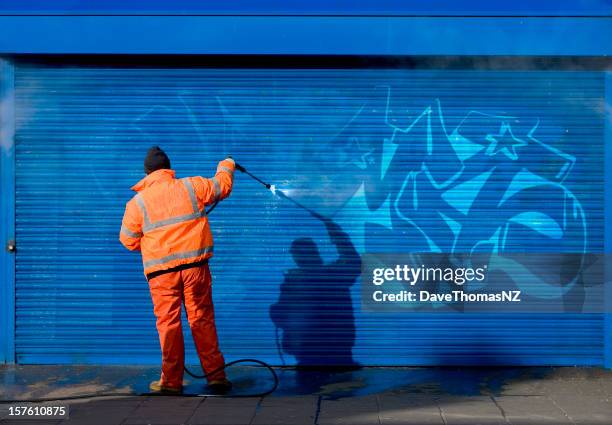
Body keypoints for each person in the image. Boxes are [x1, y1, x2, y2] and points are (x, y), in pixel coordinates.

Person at [119, 146, 235, 394]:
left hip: (161, 274)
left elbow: (128, 240)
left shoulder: (137, 203)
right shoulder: (192, 186)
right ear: (168, 169)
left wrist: (155, 246)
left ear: (147, 172)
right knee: (202, 319)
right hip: (196, 268)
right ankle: (215, 376)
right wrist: (227, 164)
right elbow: (222, 186)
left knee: (168, 324)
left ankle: (171, 382)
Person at [270, 218, 361, 368]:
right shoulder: (333, 274)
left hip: (311, 351)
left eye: (298, 253)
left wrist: (275, 310)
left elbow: (281, 316)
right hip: (332, 349)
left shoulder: (298, 280)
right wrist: (338, 234)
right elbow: (354, 262)